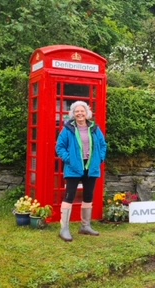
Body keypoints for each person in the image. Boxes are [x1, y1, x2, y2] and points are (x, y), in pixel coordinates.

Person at [56, 101, 107, 242]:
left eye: (82, 111)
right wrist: (70, 159)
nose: (79, 113)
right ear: (73, 114)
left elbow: (103, 145)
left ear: (87, 113)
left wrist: (100, 158)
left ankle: (85, 226)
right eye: (76, 111)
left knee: (88, 196)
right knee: (69, 196)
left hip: (91, 166)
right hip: (74, 167)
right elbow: (60, 147)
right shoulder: (68, 129)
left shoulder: (94, 128)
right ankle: (64, 229)